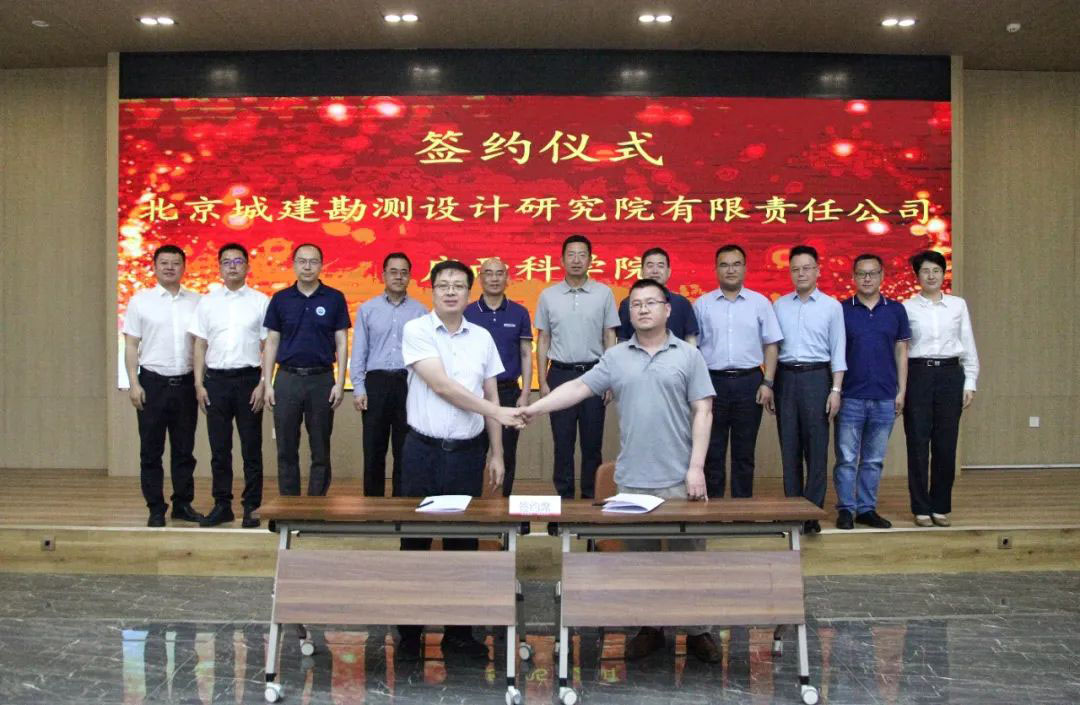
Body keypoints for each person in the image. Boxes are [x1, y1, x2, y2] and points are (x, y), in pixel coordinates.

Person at [522, 278, 720, 663]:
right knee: (641, 565)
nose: (643, 309)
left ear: (667, 309)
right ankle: (649, 629)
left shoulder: (688, 356)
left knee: (690, 561)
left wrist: (696, 467)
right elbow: (577, 388)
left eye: (651, 302)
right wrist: (536, 408)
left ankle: (698, 631)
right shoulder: (616, 357)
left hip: (681, 480)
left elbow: (704, 411)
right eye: (635, 304)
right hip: (633, 483)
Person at [395, 260, 523, 661]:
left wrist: (497, 452)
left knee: (463, 544)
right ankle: (410, 634)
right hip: (422, 452)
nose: (450, 292)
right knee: (415, 542)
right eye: (443, 285)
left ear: (469, 293)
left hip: (467, 455)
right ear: (432, 291)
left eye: (458, 286)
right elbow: (442, 386)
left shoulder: (482, 337)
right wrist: (497, 412)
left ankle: (459, 633)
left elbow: (491, 394)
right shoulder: (416, 329)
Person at [122, 244, 204, 527]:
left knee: (184, 450)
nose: (170, 267)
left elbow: (202, 345)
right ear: (154, 267)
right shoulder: (140, 301)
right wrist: (133, 383)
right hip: (152, 383)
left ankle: (182, 504)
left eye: (175, 263)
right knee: (151, 450)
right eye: (164, 263)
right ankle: (155, 508)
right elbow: (131, 345)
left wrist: (200, 382)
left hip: (186, 384)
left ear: (184, 267)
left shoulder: (197, 301)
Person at [692, 244, 782, 499]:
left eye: (736, 264)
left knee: (744, 452)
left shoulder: (760, 303)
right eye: (724, 265)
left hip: (749, 382)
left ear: (744, 268)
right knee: (713, 451)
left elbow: (771, 345)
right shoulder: (702, 304)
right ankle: (713, 509)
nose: (730, 270)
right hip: (712, 383)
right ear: (716, 269)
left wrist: (768, 382)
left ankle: (743, 509)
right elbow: (693, 349)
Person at [189, 243, 269, 528]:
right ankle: (222, 505)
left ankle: (252, 507)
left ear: (247, 266)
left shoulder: (261, 301)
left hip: (249, 381)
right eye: (227, 262)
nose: (232, 266)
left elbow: (268, 346)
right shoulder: (207, 302)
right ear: (219, 267)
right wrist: (198, 384)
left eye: (238, 261)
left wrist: (263, 382)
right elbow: (200, 345)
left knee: (251, 449)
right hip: (216, 382)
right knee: (219, 449)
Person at [535, 235, 620, 499]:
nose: (576, 260)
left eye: (582, 254)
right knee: (562, 443)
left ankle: (591, 499)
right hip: (559, 374)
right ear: (561, 260)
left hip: (595, 374)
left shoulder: (604, 293)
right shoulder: (548, 295)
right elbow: (543, 339)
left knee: (592, 443)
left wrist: (610, 379)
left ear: (590, 260)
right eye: (571, 254)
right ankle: (564, 499)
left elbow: (610, 337)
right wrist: (543, 381)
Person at [262, 243, 350, 496]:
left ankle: (316, 504)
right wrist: (268, 383)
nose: (307, 266)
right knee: (286, 447)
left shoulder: (334, 298)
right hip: (287, 378)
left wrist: (339, 383)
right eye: (302, 261)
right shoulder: (281, 299)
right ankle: (289, 504)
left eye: (313, 261)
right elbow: (272, 342)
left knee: (320, 448)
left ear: (322, 265)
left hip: (321, 379)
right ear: (293, 265)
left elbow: (342, 342)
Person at [833, 254, 911, 530]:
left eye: (872, 273)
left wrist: (901, 391)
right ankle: (846, 509)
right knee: (846, 459)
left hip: (885, 396)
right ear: (853, 277)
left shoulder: (896, 310)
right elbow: (835, 353)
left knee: (874, 460)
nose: (867, 278)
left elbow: (901, 352)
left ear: (882, 276)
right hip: (850, 396)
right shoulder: (841, 310)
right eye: (861, 273)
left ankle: (866, 508)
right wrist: (836, 390)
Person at [903, 250, 979, 527]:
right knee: (917, 443)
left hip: (950, 375)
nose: (931, 276)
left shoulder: (957, 305)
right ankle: (921, 508)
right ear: (917, 275)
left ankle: (940, 506)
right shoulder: (906, 307)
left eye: (936, 270)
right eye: (925, 271)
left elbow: (967, 343)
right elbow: (901, 350)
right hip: (918, 374)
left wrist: (970, 381)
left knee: (946, 444)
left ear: (944, 274)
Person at [773, 245, 846, 534]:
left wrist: (836, 389)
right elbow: (772, 349)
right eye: (795, 269)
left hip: (818, 378)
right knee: (789, 447)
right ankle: (793, 510)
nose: (801, 273)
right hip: (786, 379)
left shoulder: (832, 306)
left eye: (806, 268)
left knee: (816, 449)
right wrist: (770, 383)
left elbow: (838, 351)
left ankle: (811, 513)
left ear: (817, 271)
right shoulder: (779, 305)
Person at [350, 252, 427, 497]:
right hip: (376, 383)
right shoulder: (368, 309)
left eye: (404, 272)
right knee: (373, 447)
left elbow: (425, 355)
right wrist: (359, 388)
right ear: (383, 275)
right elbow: (359, 351)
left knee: (405, 449)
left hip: (408, 383)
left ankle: (402, 504)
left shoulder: (421, 311)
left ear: (410, 277)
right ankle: (372, 505)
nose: (398, 277)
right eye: (393, 272)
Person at [463, 257, 533, 496]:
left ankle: (503, 505)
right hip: (474, 392)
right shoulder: (467, 312)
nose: (494, 278)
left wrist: (525, 393)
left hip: (508, 392)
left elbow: (526, 353)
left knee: (506, 452)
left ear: (507, 278)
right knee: (473, 452)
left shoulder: (519, 312)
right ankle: (473, 505)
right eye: (488, 273)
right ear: (480, 278)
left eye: (499, 273)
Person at [616, 247, 699, 343]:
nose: (655, 271)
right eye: (650, 266)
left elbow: (691, 340)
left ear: (669, 272)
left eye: (660, 266)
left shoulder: (682, 303)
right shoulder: (628, 304)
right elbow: (622, 341)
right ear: (642, 271)